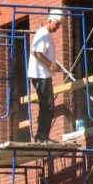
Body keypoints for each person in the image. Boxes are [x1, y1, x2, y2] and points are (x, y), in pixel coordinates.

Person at [29, 9, 63, 142]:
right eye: (57, 24)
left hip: (43, 75)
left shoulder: (46, 34)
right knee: (47, 106)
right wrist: (50, 65)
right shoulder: (42, 33)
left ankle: (42, 137)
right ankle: (42, 137)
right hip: (40, 75)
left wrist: (54, 66)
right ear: (50, 20)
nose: (58, 27)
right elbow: (36, 53)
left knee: (47, 106)